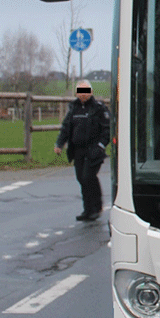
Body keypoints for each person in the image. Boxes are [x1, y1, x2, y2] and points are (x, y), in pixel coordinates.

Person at [54, 80, 111, 221]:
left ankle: (96, 208)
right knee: (81, 178)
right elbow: (66, 128)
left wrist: (100, 146)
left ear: (91, 92)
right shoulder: (73, 108)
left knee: (88, 177)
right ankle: (87, 209)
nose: (83, 95)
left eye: (86, 92)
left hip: (93, 150)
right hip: (77, 150)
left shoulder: (98, 108)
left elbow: (107, 129)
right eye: (80, 92)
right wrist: (59, 144)